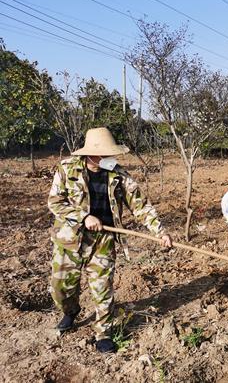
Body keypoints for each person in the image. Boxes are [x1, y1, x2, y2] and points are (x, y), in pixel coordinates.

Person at [48, 127, 172, 353]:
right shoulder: (67, 169)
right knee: (60, 289)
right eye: (106, 154)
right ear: (92, 154)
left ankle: (103, 332)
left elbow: (140, 205)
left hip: (103, 241)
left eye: (110, 154)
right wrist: (83, 217)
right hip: (69, 240)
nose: (110, 158)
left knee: (103, 289)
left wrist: (160, 232)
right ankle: (70, 310)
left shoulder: (119, 175)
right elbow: (55, 202)